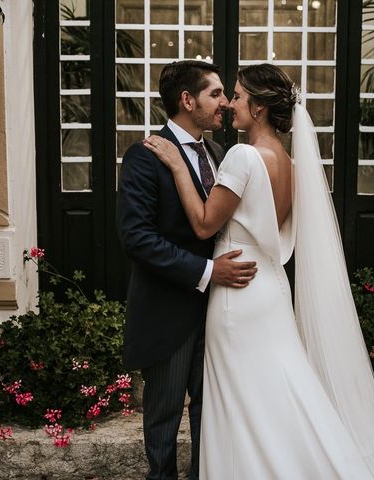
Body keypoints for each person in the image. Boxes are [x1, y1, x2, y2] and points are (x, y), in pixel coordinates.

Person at [143, 63, 374, 479]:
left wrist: (178, 166)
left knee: (241, 401)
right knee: (278, 392)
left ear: (258, 108)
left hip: (238, 291)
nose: (230, 104)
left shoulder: (242, 155)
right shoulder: (290, 164)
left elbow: (202, 224)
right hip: (269, 287)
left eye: (236, 96)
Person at [117, 60, 258, 480]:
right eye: (215, 94)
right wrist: (206, 272)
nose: (225, 105)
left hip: (219, 312)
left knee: (210, 414)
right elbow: (137, 238)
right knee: (162, 417)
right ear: (187, 99)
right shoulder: (144, 157)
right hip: (167, 308)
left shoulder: (218, 154)